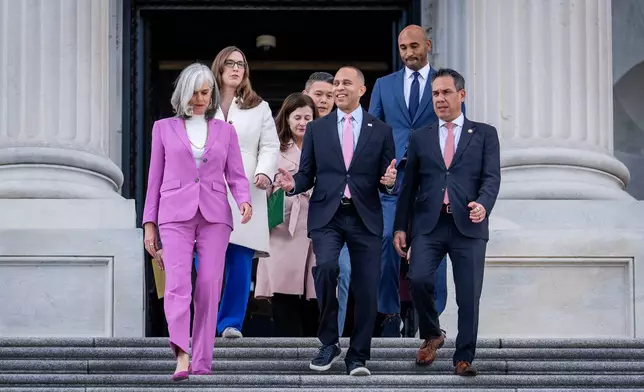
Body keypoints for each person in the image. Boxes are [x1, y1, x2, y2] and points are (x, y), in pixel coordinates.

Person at [276, 66, 396, 376]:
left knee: (367, 287)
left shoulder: (380, 130)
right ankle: (329, 342)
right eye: (336, 84)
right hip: (327, 215)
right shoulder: (318, 128)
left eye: (345, 84)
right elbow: (307, 173)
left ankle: (358, 356)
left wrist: (390, 181)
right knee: (328, 269)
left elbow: (387, 179)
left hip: (365, 217)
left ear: (361, 90)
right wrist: (293, 185)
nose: (339, 89)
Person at [141, 63, 252, 380]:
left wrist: (243, 199)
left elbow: (236, 174)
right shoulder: (163, 128)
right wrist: (149, 223)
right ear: (182, 94)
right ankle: (182, 354)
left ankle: (203, 359)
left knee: (208, 286)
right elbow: (154, 179)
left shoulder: (225, 131)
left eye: (206, 92)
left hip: (215, 215)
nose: (200, 98)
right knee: (177, 284)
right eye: (195, 92)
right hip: (174, 215)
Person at [393, 68, 500, 376]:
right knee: (419, 279)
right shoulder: (420, 137)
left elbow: (492, 178)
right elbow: (408, 186)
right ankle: (432, 334)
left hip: (469, 224)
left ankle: (463, 357)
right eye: (435, 94)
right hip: (430, 224)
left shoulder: (484, 134)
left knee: (468, 295)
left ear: (461, 95)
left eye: (446, 93)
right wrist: (401, 227)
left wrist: (483, 204)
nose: (439, 99)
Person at [369, 24, 449, 336]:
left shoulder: (444, 83)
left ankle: (431, 316)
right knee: (387, 240)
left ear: (427, 45)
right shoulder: (383, 85)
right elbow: (372, 133)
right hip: (394, 183)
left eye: (414, 46)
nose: (408, 53)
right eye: (403, 48)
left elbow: (456, 127)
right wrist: (379, 173)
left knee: (434, 248)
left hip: (432, 182)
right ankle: (390, 312)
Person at [210, 46, 280, 339]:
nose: (236, 68)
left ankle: (230, 323)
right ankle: (206, 320)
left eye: (241, 64)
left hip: (246, 189)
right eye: (230, 63)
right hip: (208, 188)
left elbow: (270, 145)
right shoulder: (201, 101)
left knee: (239, 262)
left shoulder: (259, 106)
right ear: (219, 67)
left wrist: (264, 171)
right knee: (207, 263)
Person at [255, 93, 319, 337]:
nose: (303, 123)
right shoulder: (274, 149)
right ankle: (285, 348)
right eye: (298, 117)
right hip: (283, 226)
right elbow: (263, 187)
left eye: (308, 117)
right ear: (287, 119)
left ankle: (316, 348)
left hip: (314, 224)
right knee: (283, 290)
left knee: (314, 291)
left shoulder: (324, 147)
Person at [303, 72, 351, 336]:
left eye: (329, 95)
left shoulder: (348, 129)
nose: (323, 101)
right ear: (306, 94)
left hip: (337, 217)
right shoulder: (292, 129)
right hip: (295, 221)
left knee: (340, 272)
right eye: (317, 94)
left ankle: (332, 338)